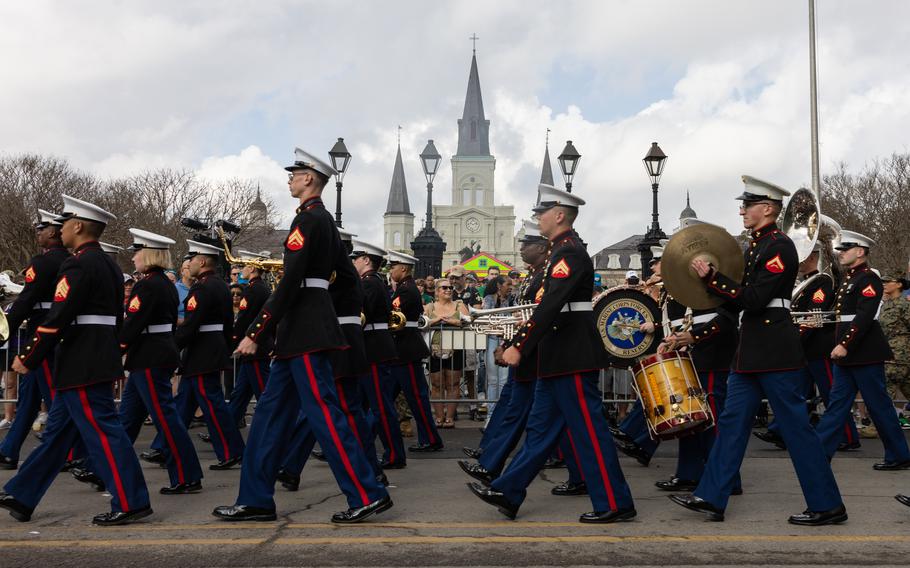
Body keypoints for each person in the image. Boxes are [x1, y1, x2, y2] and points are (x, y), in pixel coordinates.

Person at [213, 148, 390, 524]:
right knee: (268, 419)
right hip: (301, 333)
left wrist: (257, 331)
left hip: (306, 332)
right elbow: (342, 279)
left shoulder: (309, 222)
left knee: (325, 416)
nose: (290, 179)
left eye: (294, 174)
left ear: (310, 178)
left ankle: (367, 493)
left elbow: (292, 281)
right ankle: (256, 498)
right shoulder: (317, 221)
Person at [670, 175, 845, 525]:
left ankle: (828, 505)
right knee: (732, 425)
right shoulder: (756, 247)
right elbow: (735, 307)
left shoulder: (779, 246)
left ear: (767, 208)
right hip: (751, 353)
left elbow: (754, 298)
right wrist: (697, 333)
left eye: (747, 205)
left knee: (797, 430)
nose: (742, 211)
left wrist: (712, 278)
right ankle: (711, 496)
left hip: (773, 352)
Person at [468, 184, 635, 524]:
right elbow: (545, 307)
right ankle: (509, 490)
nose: (537, 218)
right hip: (558, 357)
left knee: (589, 431)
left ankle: (616, 502)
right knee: (541, 431)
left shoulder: (569, 252)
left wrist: (520, 346)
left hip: (571, 356)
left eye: (541, 213)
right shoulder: (560, 252)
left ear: (559, 215)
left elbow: (552, 305)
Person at [0, 195, 151, 525]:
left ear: (78, 226)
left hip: (83, 361)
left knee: (104, 433)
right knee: (59, 436)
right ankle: (22, 494)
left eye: (65, 223)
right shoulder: (108, 264)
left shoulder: (79, 263)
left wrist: (29, 356)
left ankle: (131, 500)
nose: (61, 229)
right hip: (91, 358)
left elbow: (58, 316)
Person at [116, 228, 203, 495]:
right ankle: (103, 468)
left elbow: (134, 323)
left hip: (149, 357)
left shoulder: (148, 285)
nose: (133, 258)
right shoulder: (163, 283)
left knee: (166, 419)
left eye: (137, 252)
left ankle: (187, 475)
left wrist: (115, 347)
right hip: (153, 354)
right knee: (127, 418)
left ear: (149, 254)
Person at [814, 232, 910, 469]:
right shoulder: (850, 278)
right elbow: (842, 317)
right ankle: (818, 456)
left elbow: (865, 317)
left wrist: (844, 344)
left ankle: (899, 455)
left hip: (864, 353)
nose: (841, 253)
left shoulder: (868, 278)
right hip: (849, 355)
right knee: (836, 406)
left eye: (846, 249)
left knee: (879, 407)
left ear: (860, 252)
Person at [754, 245, 860, 450]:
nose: (798, 261)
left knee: (832, 394)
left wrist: (792, 339)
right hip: (803, 349)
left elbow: (814, 315)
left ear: (812, 256)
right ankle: (780, 431)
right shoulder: (804, 284)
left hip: (817, 348)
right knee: (795, 394)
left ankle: (848, 436)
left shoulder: (822, 281)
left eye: (802, 256)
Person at [0, 210, 71, 470]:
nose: (37, 233)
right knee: (29, 398)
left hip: (43, 335)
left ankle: (71, 452)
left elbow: (26, 300)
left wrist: (4, 329)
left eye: (41, 229)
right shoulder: (70, 260)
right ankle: (8, 450)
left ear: (53, 232)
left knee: (55, 396)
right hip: (53, 332)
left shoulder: (42, 263)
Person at [174, 240, 245, 470]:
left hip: (201, 352)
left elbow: (192, 324)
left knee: (212, 405)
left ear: (202, 261)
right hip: (210, 349)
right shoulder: (221, 286)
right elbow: (226, 324)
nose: (189, 264)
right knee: (184, 402)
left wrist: (172, 346)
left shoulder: (201, 287)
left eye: (192, 260)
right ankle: (164, 446)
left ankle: (232, 450)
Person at [349, 239, 407, 470]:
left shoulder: (369, 284)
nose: (353, 262)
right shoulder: (372, 282)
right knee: (363, 406)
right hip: (372, 347)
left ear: (365, 260)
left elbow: (362, 315)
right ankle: (359, 448)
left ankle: (394, 454)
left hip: (374, 348)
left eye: (356, 258)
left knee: (380, 407)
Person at [388, 250, 444, 452]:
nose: (390, 270)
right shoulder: (405, 287)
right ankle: (364, 435)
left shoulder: (406, 289)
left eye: (393, 267)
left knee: (416, 398)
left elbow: (395, 317)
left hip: (406, 349)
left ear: (403, 268)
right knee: (385, 398)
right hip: (401, 349)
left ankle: (430, 439)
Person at [226, 262, 272, 429]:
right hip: (256, 346)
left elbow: (244, 319)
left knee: (264, 392)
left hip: (254, 347)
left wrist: (233, 340)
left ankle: (273, 428)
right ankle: (227, 428)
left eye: (244, 267)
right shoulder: (262, 288)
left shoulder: (252, 290)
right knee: (240, 394)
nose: (241, 271)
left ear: (252, 268)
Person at [424, 278, 468, 428]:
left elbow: (467, 320)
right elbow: (422, 322)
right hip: (434, 348)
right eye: (444, 288)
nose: (448, 290)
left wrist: (450, 321)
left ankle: (449, 417)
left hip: (455, 347)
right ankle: (439, 417)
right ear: (437, 291)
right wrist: (436, 320)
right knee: (436, 384)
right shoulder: (430, 307)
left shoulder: (459, 304)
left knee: (453, 383)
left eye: (450, 287)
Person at [482, 276, 514, 424]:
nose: (510, 287)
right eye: (508, 284)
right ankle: (490, 414)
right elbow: (486, 318)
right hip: (493, 340)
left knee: (503, 381)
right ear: (499, 285)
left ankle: (501, 414)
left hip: (506, 342)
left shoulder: (514, 299)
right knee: (493, 381)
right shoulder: (489, 299)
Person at [879, 274, 910, 428]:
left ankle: (879, 426)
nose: (884, 284)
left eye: (887, 281)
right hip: (889, 352)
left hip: (899, 355)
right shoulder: (886, 305)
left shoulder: (905, 305)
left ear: (898, 284)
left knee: (884, 392)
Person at [175, 259, 192, 323]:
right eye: (189, 267)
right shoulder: (174, 289)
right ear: (182, 271)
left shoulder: (201, 288)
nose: (192, 270)